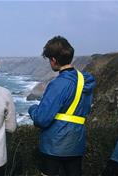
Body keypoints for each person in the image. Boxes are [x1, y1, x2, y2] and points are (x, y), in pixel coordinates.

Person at [28, 36, 96, 176]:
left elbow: (42, 119)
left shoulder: (58, 83)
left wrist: (32, 109)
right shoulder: (86, 81)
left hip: (54, 145)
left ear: (53, 60)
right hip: (77, 143)